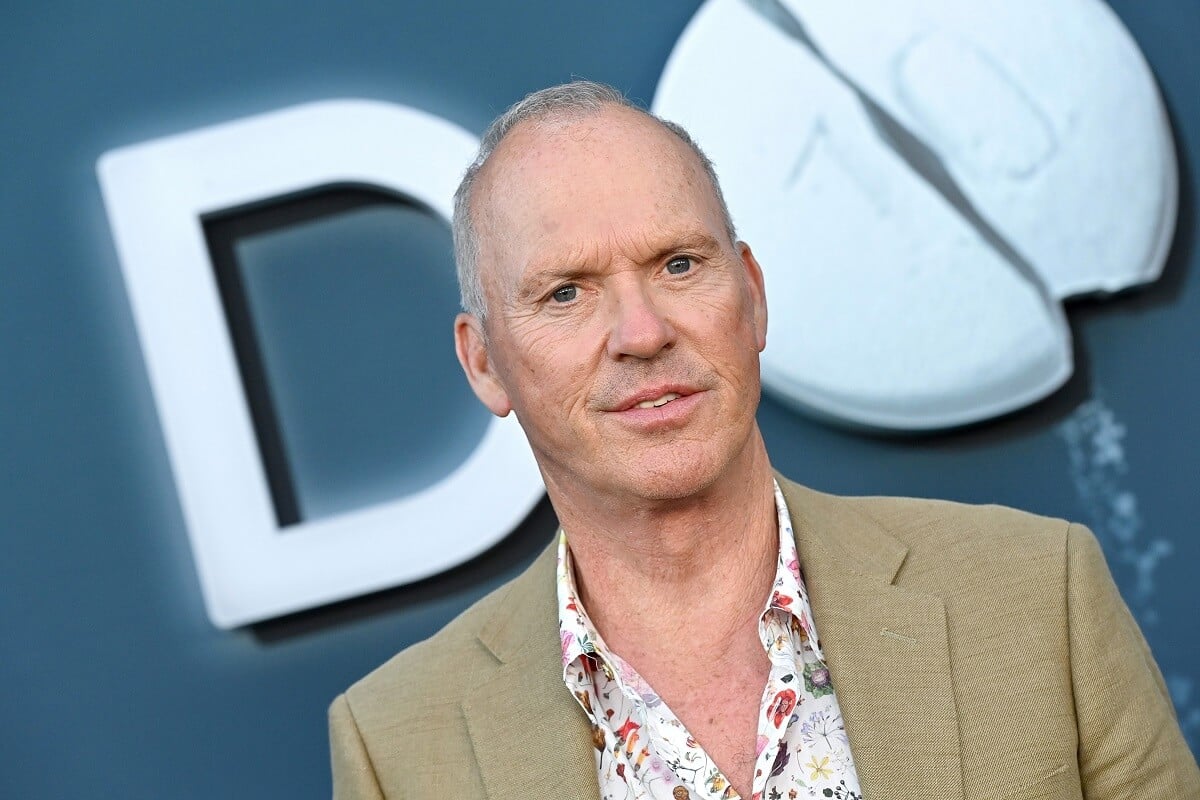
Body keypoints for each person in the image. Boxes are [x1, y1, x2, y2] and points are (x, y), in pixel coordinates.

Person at [328, 81, 1199, 800]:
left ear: (751, 296)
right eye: (566, 294)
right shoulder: (399, 747)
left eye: (678, 264)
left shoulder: (1037, 596)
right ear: (484, 364)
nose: (641, 331)